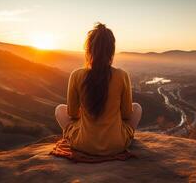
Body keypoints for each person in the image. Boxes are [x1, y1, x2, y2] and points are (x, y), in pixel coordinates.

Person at [55, 23, 142, 156]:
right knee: (137, 108)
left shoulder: (76, 75)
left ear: (89, 50)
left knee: (59, 109)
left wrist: (86, 115)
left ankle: (78, 138)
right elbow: (126, 115)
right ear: (111, 51)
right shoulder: (122, 75)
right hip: (116, 145)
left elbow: (72, 113)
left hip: (82, 144)